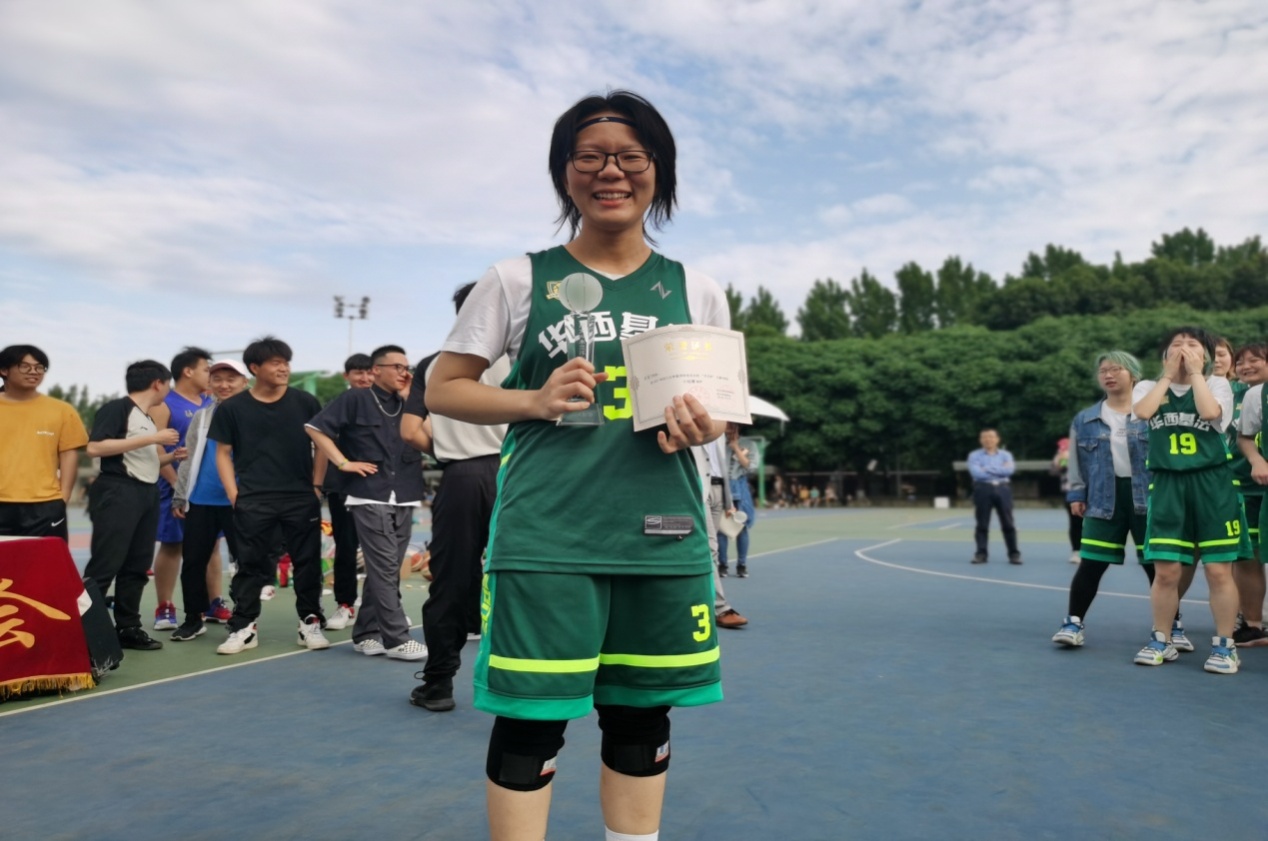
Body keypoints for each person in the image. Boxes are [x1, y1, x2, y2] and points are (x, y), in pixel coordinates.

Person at [425, 90, 727, 841]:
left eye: (630, 156)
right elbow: (443, 387)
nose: (610, 172)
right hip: (548, 537)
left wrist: (700, 424)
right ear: (565, 173)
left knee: (641, 717)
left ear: (659, 170)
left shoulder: (697, 288)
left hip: (660, 536)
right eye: (589, 157)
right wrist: (531, 399)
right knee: (531, 723)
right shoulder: (517, 278)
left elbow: (718, 410)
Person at [405, 282, 510, 712]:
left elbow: (409, 431)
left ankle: (438, 684)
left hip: (461, 476)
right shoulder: (524, 357)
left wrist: (450, 449)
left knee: (450, 580)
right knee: (523, 579)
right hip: (518, 473)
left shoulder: (433, 364)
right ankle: (525, 682)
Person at [1132, 326, 1243, 674]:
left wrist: (1196, 373)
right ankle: (1161, 639)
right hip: (1168, 483)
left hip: (1212, 484)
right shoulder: (1148, 386)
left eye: (1192, 344)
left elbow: (1210, 413)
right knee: (1166, 571)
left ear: (1206, 355)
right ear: (1164, 355)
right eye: (1176, 344)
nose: (1183, 349)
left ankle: (1225, 646)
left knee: (1218, 569)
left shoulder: (1217, 384)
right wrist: (1167, 377)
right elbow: (1143, 413)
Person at [306, 344, 427, 661]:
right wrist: (343, 462)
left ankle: (365, 633)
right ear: (376, 370)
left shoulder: (411, 403)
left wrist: (411, 399)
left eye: (406, 367)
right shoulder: (356, 399)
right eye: (397, 366)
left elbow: (431, 438)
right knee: (385, 566)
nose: (403, 372)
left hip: (406, 492)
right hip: (368, 493)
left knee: (386, 567)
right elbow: (315, 428)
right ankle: (397, 638)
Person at [209, 336, 329, 655]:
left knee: (307, 563)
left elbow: (322, 445)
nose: (284, 368)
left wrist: (317, 485)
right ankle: (244, 627)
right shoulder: (232, 408)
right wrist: (234, 493)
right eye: (276, 363)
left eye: (286, 362)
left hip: (300, 497)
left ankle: (309, 622)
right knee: (250, 565)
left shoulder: (305, 402)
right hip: (253, 499)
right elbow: (222, 453)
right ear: (255, 368)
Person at [1052, 352, 1155, 648]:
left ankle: (1171, 626)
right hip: (1102, 498)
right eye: (1103, 371)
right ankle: (1073, 623)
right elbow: (1076, 462)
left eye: (1116, 369)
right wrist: (1077, 493)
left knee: (1157, 566)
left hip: (1149, 497)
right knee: (1092, 563)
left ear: (1133, 374)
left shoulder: (1152, 412)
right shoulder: (1085, 418)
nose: (1108, 375)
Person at [84, 360, 182, 651]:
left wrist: (173, 456)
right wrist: (154, 438)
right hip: (118, 490)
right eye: (168, 384)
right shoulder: (118, 408)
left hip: (146, 492)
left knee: (137, 565)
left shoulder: (145, 417)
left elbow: (143, 458)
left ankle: (128, 628)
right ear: (158, 384)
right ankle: (84, 631)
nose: (168, 389)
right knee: (106, 564)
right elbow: (95, 447)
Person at [169, 359, 250, 641]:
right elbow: (189, 456)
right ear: (210, 383)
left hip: (240, 501)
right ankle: (194, 618)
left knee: (245, 562)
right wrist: (181, 495)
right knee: (193, 561)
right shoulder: (202, 416)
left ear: (245, 382)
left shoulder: (254, 414)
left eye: (231, 379)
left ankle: (244, 618)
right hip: (201, 500)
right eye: (217, 379)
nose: (224, 384)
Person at [150, 346, 215, 631]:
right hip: (174, 486)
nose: (211, 374)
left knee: (212, 544)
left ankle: (214, 602)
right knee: (173, 544)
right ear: (188, 371)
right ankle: (165, 606)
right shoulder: (164, 403)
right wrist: (176, 483)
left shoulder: (212, 403)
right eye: (206, 369)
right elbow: (155, 447)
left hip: (208, 487)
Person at [0, 345, 89, 540]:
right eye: (24, 366)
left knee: (45, 560)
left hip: (45, 506)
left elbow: (68, 454)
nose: (34, 371)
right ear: (4, 370)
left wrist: (63, 497)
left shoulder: (62, 410)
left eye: (39, 367)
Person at [322, 352, 375, 632]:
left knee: (384, 549)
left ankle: (383, 606)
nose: (364, 378)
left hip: (381, 488)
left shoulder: (390, 405)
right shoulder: (338, 406)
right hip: (343, 487)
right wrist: (318, 483)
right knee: (345, 547)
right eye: (358, 373)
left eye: (369, 372)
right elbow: (320, 439)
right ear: (347, 376)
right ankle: (345, 604)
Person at [1233, 341, 1268, 647]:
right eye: (1241, 362)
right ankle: (1253, 624)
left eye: (1254, 360)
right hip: (1246, 488)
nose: (1246, 366)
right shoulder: (1255, 395)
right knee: (1249, 554)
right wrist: (1257, 460)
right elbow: (1244, 437)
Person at [700, 436, 749, 630]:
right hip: (699, 487)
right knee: (710, 547)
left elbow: (720, 465)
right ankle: (720, 608)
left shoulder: (719, 431)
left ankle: (709, 603)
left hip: (719, 489)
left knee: (709, 549)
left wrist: (728, 500)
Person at [967, 428, 1021, 564]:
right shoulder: (974, 455)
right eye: (984, 437)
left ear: (997, 439)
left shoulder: (1005, 455)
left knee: (1008, 523)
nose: (988, 439)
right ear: (980, 440)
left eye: (991, 437)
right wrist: (999, 470)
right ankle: (981, 554)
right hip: (982, 488)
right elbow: (976, 473)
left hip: (1003, 489)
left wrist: (986, 469)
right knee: (982, 523)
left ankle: (1014, 554)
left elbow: (1009, 471)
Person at [717, 423, 755, 578]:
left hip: (740, 488)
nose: (729, 430)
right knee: (721, 528)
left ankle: (742, 564)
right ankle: (722, 564)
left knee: (742, 527)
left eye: (732, 426)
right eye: (727, 426)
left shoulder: (749, 444)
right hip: (721, 487)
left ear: (738, 427)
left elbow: (750, 467)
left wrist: (736, 448)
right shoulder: (717, 443)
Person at [1051, 438, 1080, 563]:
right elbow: (1055, 471)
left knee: (1093, 522)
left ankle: (1094, 551)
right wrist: (1061, 460)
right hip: (1071, 492)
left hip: (1091, 491)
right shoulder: (1062, 455)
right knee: (1075, 522)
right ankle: (1076, 551)